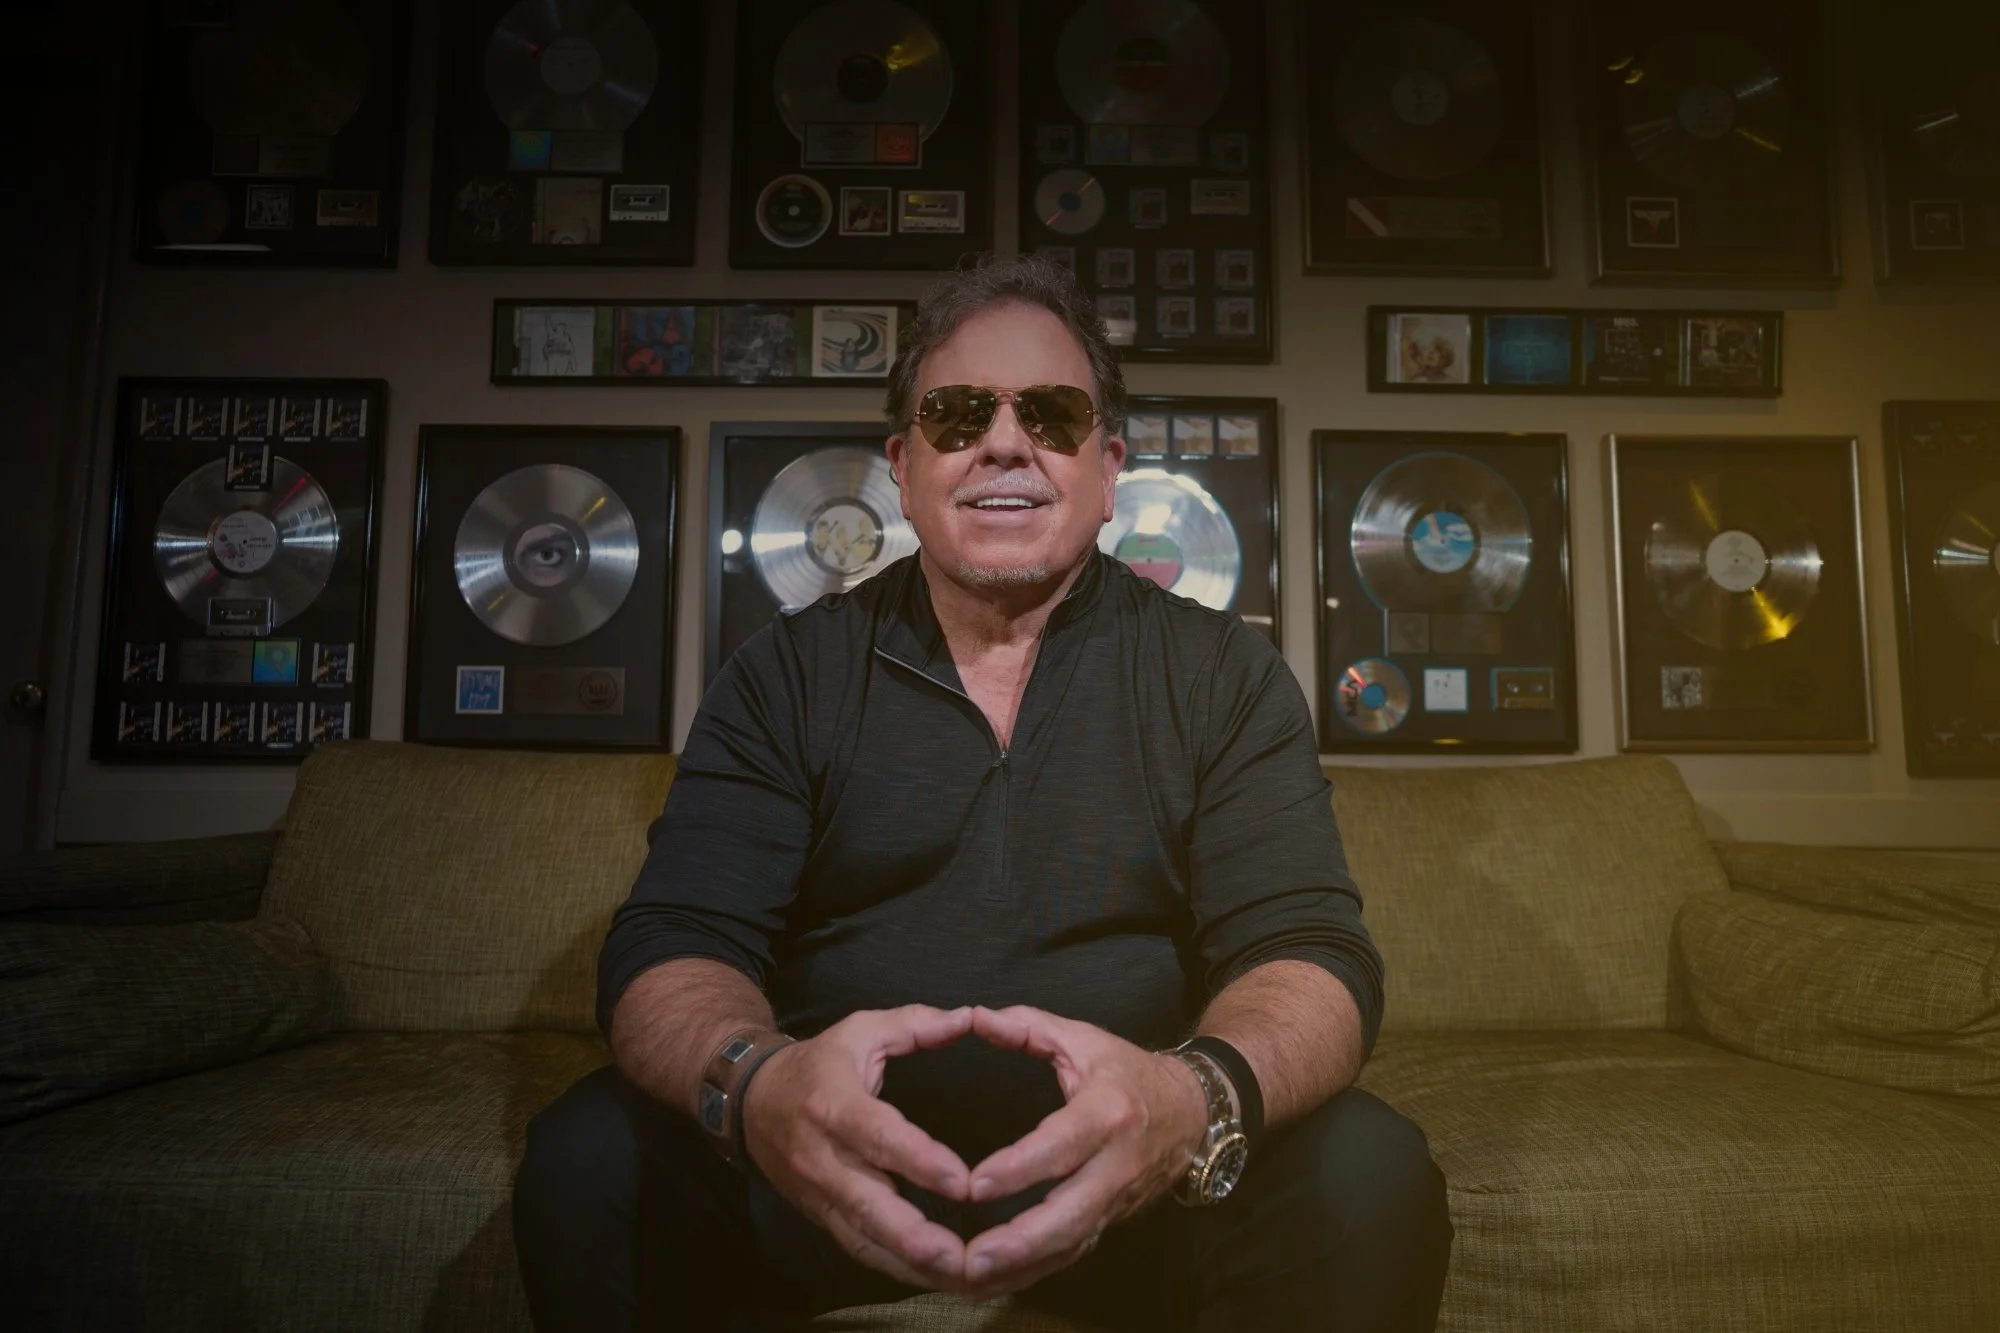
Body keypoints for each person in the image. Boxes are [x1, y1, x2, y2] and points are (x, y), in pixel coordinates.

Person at [512, 256, 1452, 1332]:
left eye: (1049, 414)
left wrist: (1187, 1100)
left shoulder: (1222, 675)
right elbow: (675, 941)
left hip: (1143, 1181)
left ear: (1108, 469)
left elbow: (1309, 950)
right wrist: (760, 1086)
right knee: (590, 1155)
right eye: (958, 415)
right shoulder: (784, 674)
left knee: (1369, 1171)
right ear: (902, 466)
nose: (1003, 441)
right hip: (823, 1176)